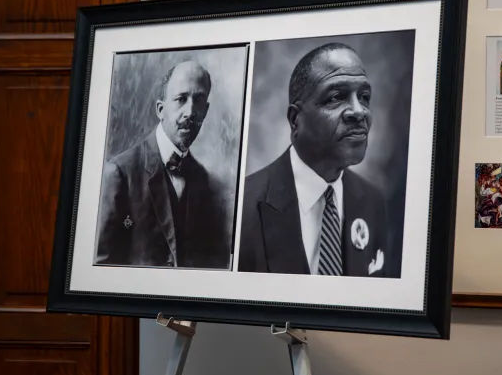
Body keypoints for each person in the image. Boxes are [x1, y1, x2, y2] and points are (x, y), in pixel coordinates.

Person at [239, 43, 391, 277]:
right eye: (337, 97)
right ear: (295, 120)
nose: (358, 111)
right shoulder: (242, 208)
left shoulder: (372, 202)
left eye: (364, 97)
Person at [94, 61, 229, 269]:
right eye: (181, 99)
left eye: (199, 100)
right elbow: (100, 267)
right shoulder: (119, 173)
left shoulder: (204, 181)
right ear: (160, 109)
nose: (190, 112)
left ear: (206, 110)